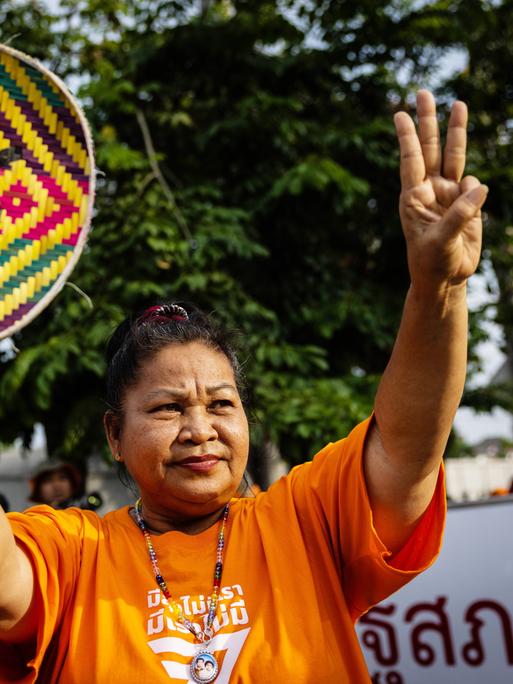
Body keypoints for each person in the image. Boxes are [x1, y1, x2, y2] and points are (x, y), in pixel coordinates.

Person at [0, 90, 488, 683]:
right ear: (114, 434)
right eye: (168, 407)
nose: (200, 429)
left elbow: (408, 443)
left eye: (221, 403)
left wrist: (437, 287)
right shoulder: (72, 550)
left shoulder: (307, 521)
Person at [28, 459, 103, 511]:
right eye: (48, 480)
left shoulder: (81, 507)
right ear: (38, 489)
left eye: (62, 478)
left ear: (72, 484)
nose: (57, 486)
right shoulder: (31, 518)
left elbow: (96, 501)